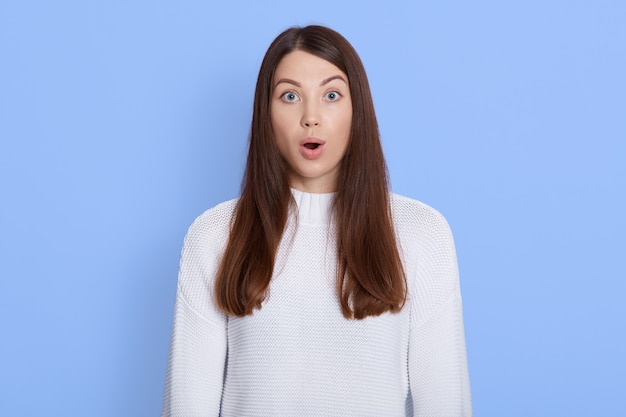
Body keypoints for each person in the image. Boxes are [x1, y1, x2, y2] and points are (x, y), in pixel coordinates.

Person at [161, 25, 472, 417]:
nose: (311, 117)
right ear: (266, 115)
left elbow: (446, 404)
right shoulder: (214, 237)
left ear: (357, 109)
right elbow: (186, 407)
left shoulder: (420, 233)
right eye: (290, 96)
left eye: (331, 95)